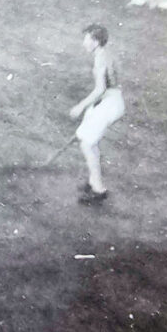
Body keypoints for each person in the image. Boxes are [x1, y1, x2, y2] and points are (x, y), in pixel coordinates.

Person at [69, 24, 125, 205]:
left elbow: (100, 89)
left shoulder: (100, 58)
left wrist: (81, 106)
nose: (84, 43)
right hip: (109, 101)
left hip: (109, 103)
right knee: (88, 141)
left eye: (86, 39)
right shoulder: (105, 52)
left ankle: (99, 189)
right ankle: (94, 181)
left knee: (87, 144)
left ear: (95, 41)